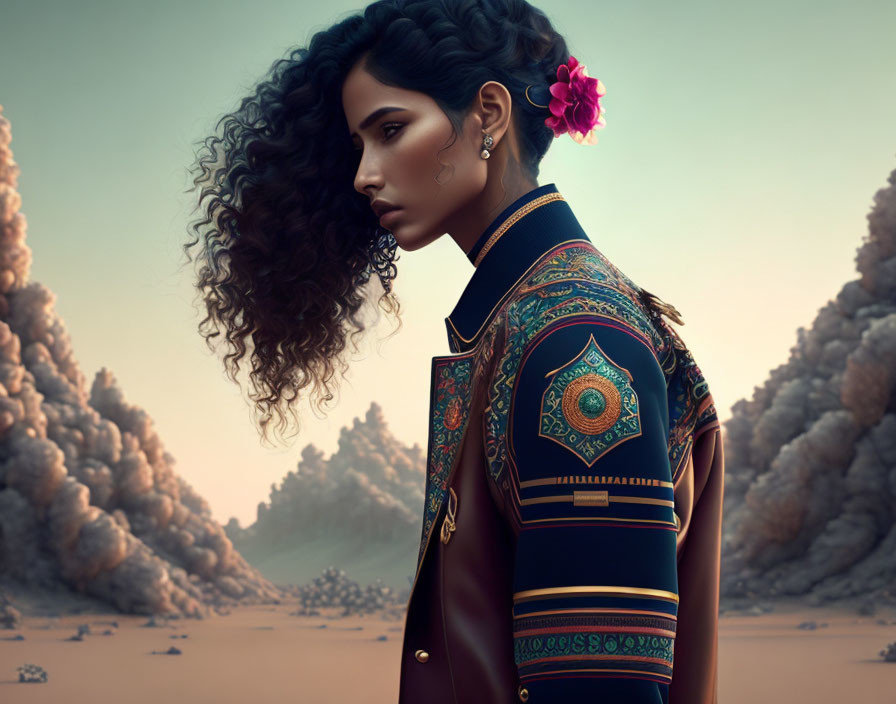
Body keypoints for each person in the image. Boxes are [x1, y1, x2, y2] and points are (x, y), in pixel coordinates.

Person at [183, 1, 724, 702]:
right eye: (358, 146)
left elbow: (602, 686)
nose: (363, 175)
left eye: (391, 130)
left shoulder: (576, 349)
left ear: (489, 117)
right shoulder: (531, 320)